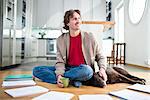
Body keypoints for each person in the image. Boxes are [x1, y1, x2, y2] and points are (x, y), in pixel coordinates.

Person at [33, 9, 107, 88]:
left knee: (88, 71)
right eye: (75, 19)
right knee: (36, 70)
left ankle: (66, 79)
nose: (78, 21)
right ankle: (73, 80)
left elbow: (100, 56)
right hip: (67, 69)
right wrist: (59, 75)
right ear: (67, 23)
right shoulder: (61, 40)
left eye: (79, 18)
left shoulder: (89, 37)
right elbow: (60, 62)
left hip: (83, 69)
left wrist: (102, 69)